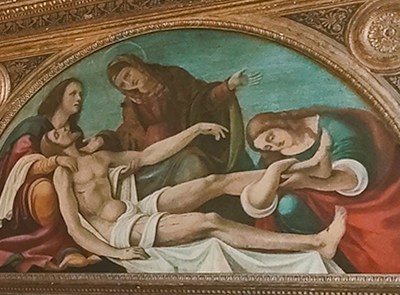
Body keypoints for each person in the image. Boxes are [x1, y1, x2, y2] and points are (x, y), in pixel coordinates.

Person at [49, 121, 346, 265]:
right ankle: (316, 243)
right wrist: (116, 253)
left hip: (136, 208)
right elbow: (75, 227)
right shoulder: (64, 175)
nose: (59, 129)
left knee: (215, 181)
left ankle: (308, 172)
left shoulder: (100, 158)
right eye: (53, 133)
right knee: (211, 221)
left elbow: (150, 155)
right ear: (54, 145)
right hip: (122, 230)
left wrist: (196, 129)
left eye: (61, 127)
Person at [0, 78, 100, 272]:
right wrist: (55, 161)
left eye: (81, 94)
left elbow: (80, 158)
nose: (79, 98)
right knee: (46, 191)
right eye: (73, 93)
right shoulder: (33, 127)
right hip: (22, 192)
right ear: (59, 97)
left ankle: (73, 247)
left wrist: (101, 142)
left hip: (66, 186)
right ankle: (58, 249)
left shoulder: (74, 131)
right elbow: (21, 166)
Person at [246, 107, 400, 274]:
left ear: (279, 123)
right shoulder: (276, 157)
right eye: (268, 147)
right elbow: (258, 184)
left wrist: (308, 182)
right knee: (288, 206)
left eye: (271, 137)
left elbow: (352, 177)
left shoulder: (331, 126)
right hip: (313, 214)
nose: (274, 145)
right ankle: (325, 261)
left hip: (357, 203)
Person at [104, 53, 256, 195]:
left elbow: (202, 101)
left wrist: (228, 86)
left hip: (185, 148)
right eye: (123, 84)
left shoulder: (173, 79)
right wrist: (103, 139)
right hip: (154, 161)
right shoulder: (131, 105)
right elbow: (125, 133)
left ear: (136, 65)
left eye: (127, 74)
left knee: (193, 166)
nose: (129, 82)